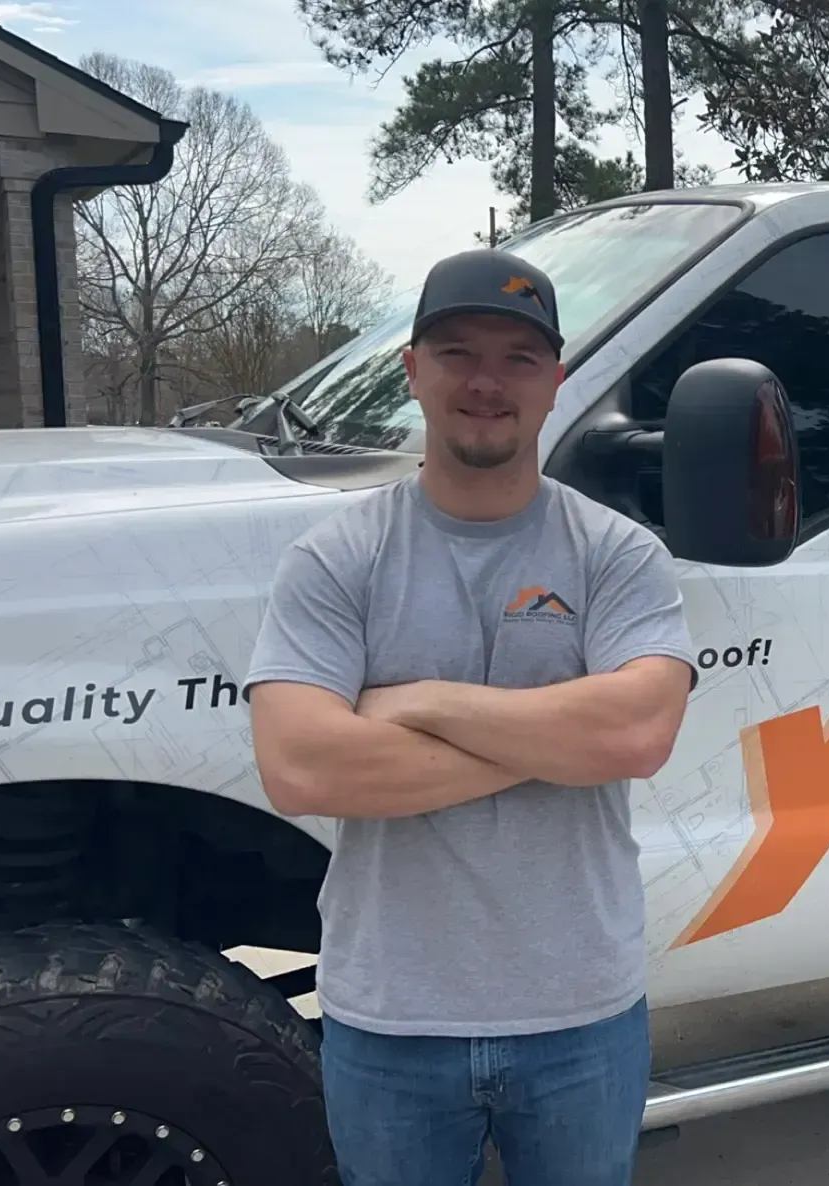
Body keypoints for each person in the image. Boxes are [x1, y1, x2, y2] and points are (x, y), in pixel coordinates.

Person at [243, 247, 697, 1186]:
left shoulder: (619, 556)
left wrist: (419, 704)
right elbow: (302, 768)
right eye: (458, 353)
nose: (487, 383)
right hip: (390, 1022)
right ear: (413, 371)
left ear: (556, 382)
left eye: (519, 358)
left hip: (582, 1016)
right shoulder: (335, 559)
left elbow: (639, 735)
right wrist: (563, 738)